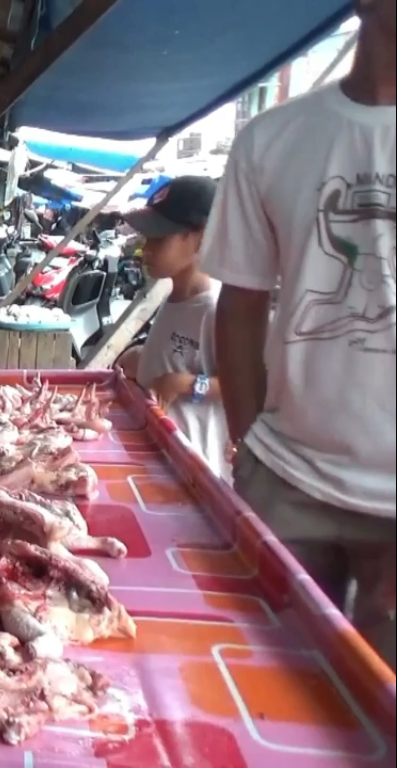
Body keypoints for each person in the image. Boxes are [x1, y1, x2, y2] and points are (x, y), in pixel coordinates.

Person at [202, 0, 395, 668]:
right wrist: (247, 444)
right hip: (285, 481)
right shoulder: (272, 138)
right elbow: (242, 301)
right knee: (265, 690)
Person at [113, 176, 229, 477]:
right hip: (161, 458)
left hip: (195, 472)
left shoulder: (216, 309)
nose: (145, 249)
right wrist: (144, 356)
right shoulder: (174, 297)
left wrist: (188, 384)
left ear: (201, 238)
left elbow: (251, 386)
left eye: (158, 238)